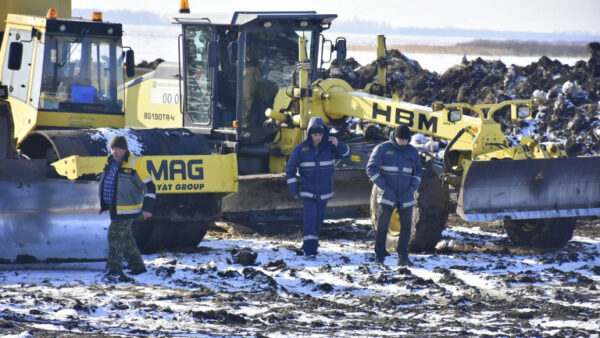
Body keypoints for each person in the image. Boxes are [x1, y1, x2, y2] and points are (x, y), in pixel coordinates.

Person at [285, 117, 350, 259]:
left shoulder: (331, 147)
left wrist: (339, 143)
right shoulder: (300, 149)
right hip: (307, 191)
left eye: (320, 135)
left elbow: (346, 154)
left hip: (324, 192)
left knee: (319, 219)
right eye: (315, 135)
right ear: (309, 134)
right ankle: (310, 250)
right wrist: (294, 190)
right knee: (310, 218)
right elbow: (290, 170)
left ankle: (312, 243)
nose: (318, 137)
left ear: (324, 134)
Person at [99, 136, 156, 282]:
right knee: (126, 237)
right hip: (114, 207)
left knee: (115, 235)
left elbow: (150, 187)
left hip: (128, 209)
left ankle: (113, 268)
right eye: (112, 148)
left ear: (124, 149)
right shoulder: (109, 162)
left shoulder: (135, 163)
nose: (114, 152)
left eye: (117, 149)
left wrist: (147, 209)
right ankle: (137, 266)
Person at [366, 124, 423, 266]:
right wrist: (384, 186)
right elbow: (370, 169)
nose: (403, 142)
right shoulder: (382, 149)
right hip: (387, 194)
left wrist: (412, 187)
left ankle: (403, 257)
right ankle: (379, 257)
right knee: (382, 227)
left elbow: (418, 171)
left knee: (406, 228)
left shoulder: (412, 151)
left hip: (406, 194)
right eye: (400, 139)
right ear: (395, 137)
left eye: (405, 140)